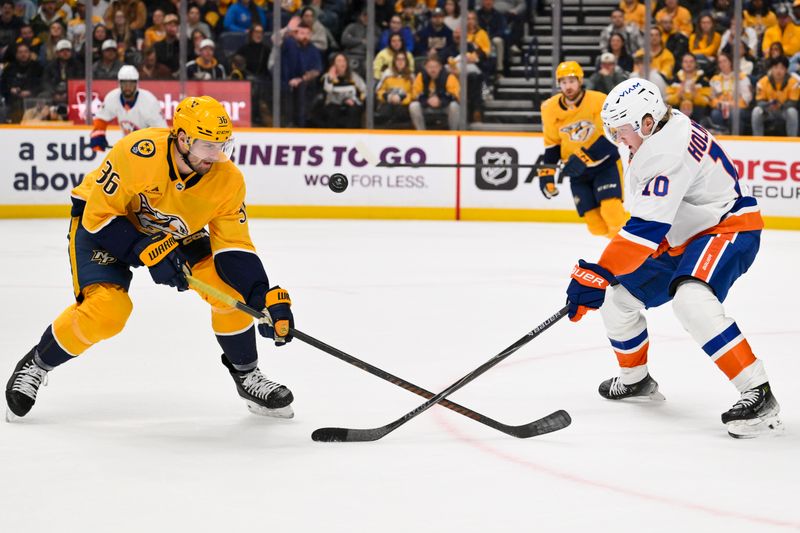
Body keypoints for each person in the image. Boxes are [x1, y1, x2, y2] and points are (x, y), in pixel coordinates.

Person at [5, 95, 297, 422]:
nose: (216, 157)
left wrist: (263, 296)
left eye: (223, 146)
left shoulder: (227, 180)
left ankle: (246, 375)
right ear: (183, 138)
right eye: (207, 146)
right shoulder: (139, 152)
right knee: (108, 312)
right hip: (105, 224)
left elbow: (235, 247)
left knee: (232, 294)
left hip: (171, 232)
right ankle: (37, 363)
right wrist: (147, 250)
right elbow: (98, 217)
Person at [566, 77, 782, 438]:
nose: (619, 140)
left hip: (727, 228)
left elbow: (644, 230)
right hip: (686, 235)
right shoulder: (659, 129)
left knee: (690, 299)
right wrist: (605, 278)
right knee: (616, 300)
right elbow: (653, 223)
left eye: (622, 131)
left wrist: (599, 271)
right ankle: (635, 381)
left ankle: (758, 393)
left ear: (647, 122)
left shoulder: (666, 150)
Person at [538, 61, 626, 238]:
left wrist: (583, 157)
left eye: (571, 81)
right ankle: (623, 249)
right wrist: (547, 173)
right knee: (596, 227)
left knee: (612, 213)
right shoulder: (549, 108)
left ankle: (640, 253)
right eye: (563, 82)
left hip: (605, 165)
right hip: (578, 172)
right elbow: (553, 144)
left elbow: (611, 137)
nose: (567, 86)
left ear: (580, 80)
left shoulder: (599, 100)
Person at [89, 65, 167, 151]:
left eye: (131, 83)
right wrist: (98, 136)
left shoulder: (149, 102)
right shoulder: (112, 97)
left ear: (136, 84)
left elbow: (162, 132)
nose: (127, 87)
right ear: (119, 83)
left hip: (148, 148)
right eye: (124, 83)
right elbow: (101, 118)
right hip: (128, 146)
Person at [751, 55, 799, 137]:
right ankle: (757, 139)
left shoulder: (793, 82)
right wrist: (769, 104)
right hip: (768, 110)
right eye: (776, 67)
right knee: (756, 111)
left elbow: (793, 102)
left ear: (786, 70)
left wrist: (780, 105)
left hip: (784, 111)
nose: (778, 71)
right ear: (771, 69)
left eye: (782, 68)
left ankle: (792, 140)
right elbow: (759, 102)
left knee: (792, 112)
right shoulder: (762, 82)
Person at [409, 55, 460, 130]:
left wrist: (440, 101)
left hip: (444, 106)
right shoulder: (421, 76)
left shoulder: (449, 77)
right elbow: (415, 94)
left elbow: (454, 95)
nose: (433, 69)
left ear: (440, 67)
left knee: (454, 106)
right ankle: (421, 133)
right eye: (430, 67)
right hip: (426, 105)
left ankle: (453, 133)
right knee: (414, 106)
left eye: (435, 67)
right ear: (425, 67)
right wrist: (427, 101)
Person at [709, 51, 753, 133]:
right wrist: (719, 104)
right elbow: (711, 98)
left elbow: (747, 98)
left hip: (738, 108)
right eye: (720, 62)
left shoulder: (741, 77)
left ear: (730, 62)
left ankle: (736, 137)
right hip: (721, 108)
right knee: (715, 113)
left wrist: (731, 105)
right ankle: (721, 137)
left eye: (725, 61)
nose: (722, 64)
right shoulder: (715, 79)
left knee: (734, 114)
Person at [321, 52, 366, 128]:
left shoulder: (353, 76)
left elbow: (364, 90)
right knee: (332, 112)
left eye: (344, 60)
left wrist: (357, 100)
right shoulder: (327, 76)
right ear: (333, 64)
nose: (342, 63)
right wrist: (330, 78)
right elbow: (328, 90)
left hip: (351, 102)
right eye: (339, 61)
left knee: (354, 110)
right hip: (334, 103)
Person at [665, 53, 712, 123]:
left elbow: (706, 102)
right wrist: (679, 94)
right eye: (686, 61)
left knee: (701, 110)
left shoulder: (703, 80)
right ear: (682, 64)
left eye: (691, 61)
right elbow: (668, 100)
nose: (688, 64)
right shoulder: (674, 79)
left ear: (695, 63)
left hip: (697, 113)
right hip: (677, 112)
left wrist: (695, 94)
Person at [375, 50, 414, 127]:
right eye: (398, 59)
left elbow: (413, 93)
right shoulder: (387, 74)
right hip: (388, 103)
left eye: (403, 59)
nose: (400, 62)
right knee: (386, 111)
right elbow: (379, 91)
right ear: (394, 61)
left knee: (399, 111)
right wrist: (388, 97)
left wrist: (401, 98)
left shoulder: (411, 77)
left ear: (406, 62)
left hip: (404, 105)